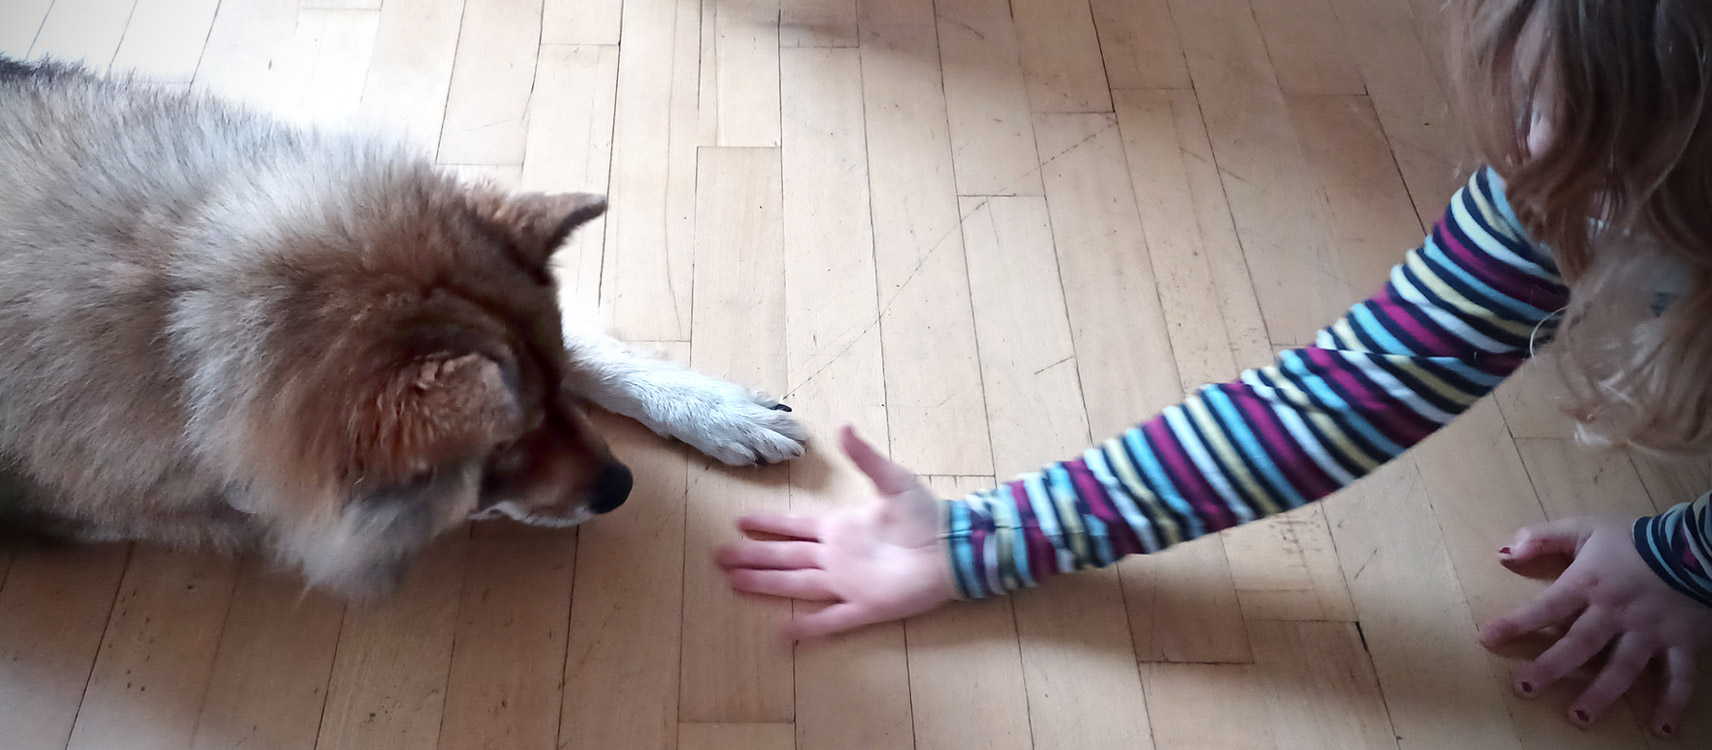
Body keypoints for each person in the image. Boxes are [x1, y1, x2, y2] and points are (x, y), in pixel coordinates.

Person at [714, 0, 1712, 738]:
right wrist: (988, 538)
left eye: (1630, 156)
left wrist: (1686, 560)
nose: (1540, 147)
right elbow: (1352, 388)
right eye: (1543, 101)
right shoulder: (1565, 173)